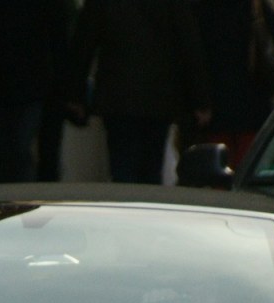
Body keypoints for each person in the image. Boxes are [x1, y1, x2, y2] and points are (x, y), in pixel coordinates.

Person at [66, 0, 211, 184]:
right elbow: (188, 43)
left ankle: (126, 205)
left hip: (117, 95)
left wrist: (75, 94)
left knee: (122, 168)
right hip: (159, 95)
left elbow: (84, 40)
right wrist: (200, 99)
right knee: (152, 168)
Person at [0, 0, 74, 183]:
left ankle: (11, 198)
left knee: (9, 151)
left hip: (0, 78)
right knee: (18, 149)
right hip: (32, 78)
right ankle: (20, 199)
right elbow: (59, 35)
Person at [188, 0, 274, 171]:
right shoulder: (255, 5)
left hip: (215, 103)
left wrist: (199, 101)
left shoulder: (198, 7)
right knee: (249, 168)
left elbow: (191, 54)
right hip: (253, 100)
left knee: (215, 168)